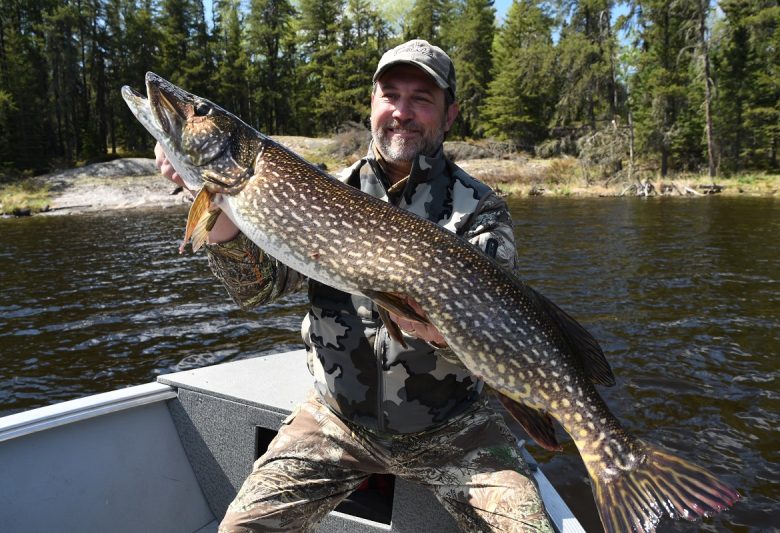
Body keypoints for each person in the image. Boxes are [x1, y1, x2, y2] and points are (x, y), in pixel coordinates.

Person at [156, 39, 554, 533]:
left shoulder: (479, 209)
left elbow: (495, 328)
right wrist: (207, 198)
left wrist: (432, 324)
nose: (402, 112)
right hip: (336, 420)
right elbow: (256, 289)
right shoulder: (323, 190)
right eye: (390, 95)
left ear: (449, 115)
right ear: (372, 104)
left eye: (421, 99)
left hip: (453, 426)